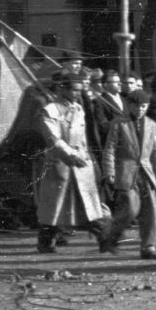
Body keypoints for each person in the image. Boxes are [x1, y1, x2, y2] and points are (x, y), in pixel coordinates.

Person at [35, 71, 110, 253]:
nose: (78, 93)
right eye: (74, 90)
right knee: (54, 207)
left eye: (79, 90)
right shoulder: (50, 110)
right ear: (63, 89)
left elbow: (83, 139)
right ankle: (46, 242)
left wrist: (86, 158)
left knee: (90, 205)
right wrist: (69, 154)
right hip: (60, 164)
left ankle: (105, 240)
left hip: (81, 163)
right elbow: (53, 138)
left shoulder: (78, 109)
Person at [99, 89, 156, 260]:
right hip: (126, 171)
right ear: (129, 105)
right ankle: (111, 234)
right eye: (136, 106)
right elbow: (110, 149)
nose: (140, 109)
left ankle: (149, 247)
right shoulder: (119, 123)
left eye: (144, 106)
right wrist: (109, 170)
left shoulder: (152, 125)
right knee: (129, 209)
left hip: (146, 172)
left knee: (150, 212)